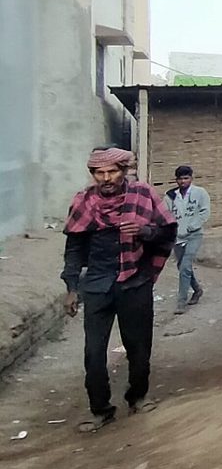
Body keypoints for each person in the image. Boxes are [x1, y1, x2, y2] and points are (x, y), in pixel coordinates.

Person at [62, 147, 177, 432]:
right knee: (93, 353)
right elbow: (74, 248)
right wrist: (72, 287)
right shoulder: (83, 202)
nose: (106, 178)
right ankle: (100, 410)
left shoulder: (143, 195)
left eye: (112, 172)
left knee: (138, 347)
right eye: (99, 173)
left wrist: (144, 231)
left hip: (135, 283)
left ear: (123, 171)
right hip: (97, 285)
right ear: (93, 174)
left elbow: (167, 231)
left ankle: (138, 397)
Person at [166, 164, 211, 312]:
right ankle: (197, 289)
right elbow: (164, 213)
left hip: (194, 234)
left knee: (185, 266)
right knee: (182, 267)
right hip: (177, 236)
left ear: (191, 178)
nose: (183, 181)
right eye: (180, 179)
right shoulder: (171, 196)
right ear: (176, 180)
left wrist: (193, 225)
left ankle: (181, 302)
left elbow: (205, 212)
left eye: (186, 178)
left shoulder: (200, 193)